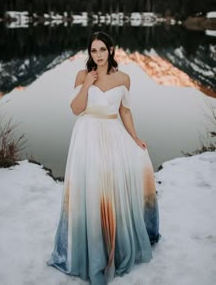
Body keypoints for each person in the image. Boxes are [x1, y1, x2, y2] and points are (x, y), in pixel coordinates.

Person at [47, 31, 160, 285]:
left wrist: (135, 137)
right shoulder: (82, 75)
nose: (97, 55)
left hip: (112, 135)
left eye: (102, 49)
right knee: (91, 189)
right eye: (93, 50)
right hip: (86, 137)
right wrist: (88, 83)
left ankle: (112, 246)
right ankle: (91, 249)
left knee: (109, 191)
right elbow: (76, 109)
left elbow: (125, 112)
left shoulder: (124, 79)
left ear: (111, 50)